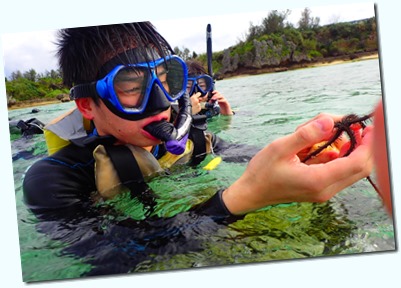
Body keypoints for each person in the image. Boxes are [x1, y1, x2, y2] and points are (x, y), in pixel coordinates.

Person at [22, 22, 374, 276]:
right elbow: (112, 261)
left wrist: (303, 151)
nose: (160, 102)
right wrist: (238, 201)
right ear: (87, 105)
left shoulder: (193, 138)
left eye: (165, 78)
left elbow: (251, 158)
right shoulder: (55, 180)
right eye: (131, 85)